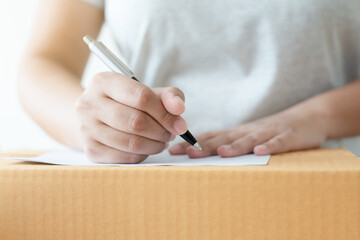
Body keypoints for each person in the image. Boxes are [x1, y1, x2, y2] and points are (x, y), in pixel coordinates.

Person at [18, 0, 360, 163]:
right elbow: (43, 64)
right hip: (149, 180)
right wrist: (89, 123)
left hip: (322, 174)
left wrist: (317, 117)